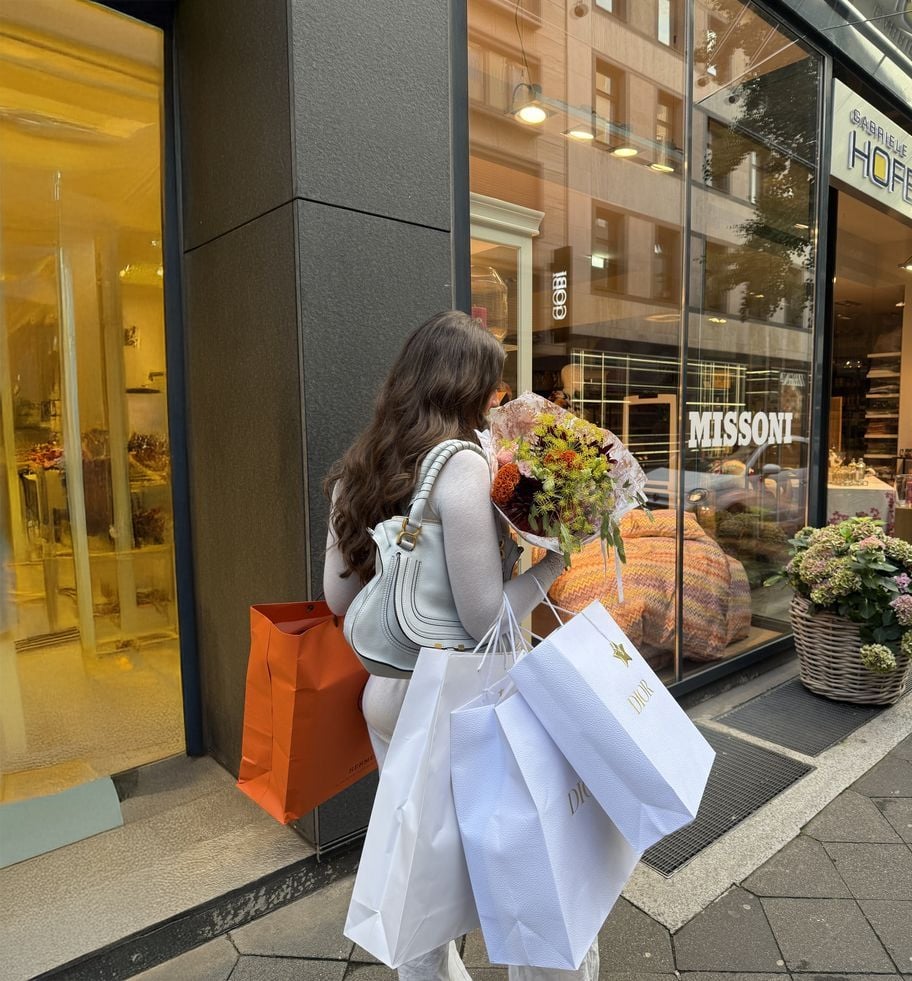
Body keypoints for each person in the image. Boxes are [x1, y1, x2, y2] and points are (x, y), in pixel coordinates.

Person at [323, 311, 597, 981]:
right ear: (470, 390)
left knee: (422, 870)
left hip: (389, 697)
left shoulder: (354, 471)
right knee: (532, 870)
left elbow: (337, 601)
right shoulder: (464, 470)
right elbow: (485, 621)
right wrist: (551, 565)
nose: (499, 402)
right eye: (495, 391)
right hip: (468, 702)